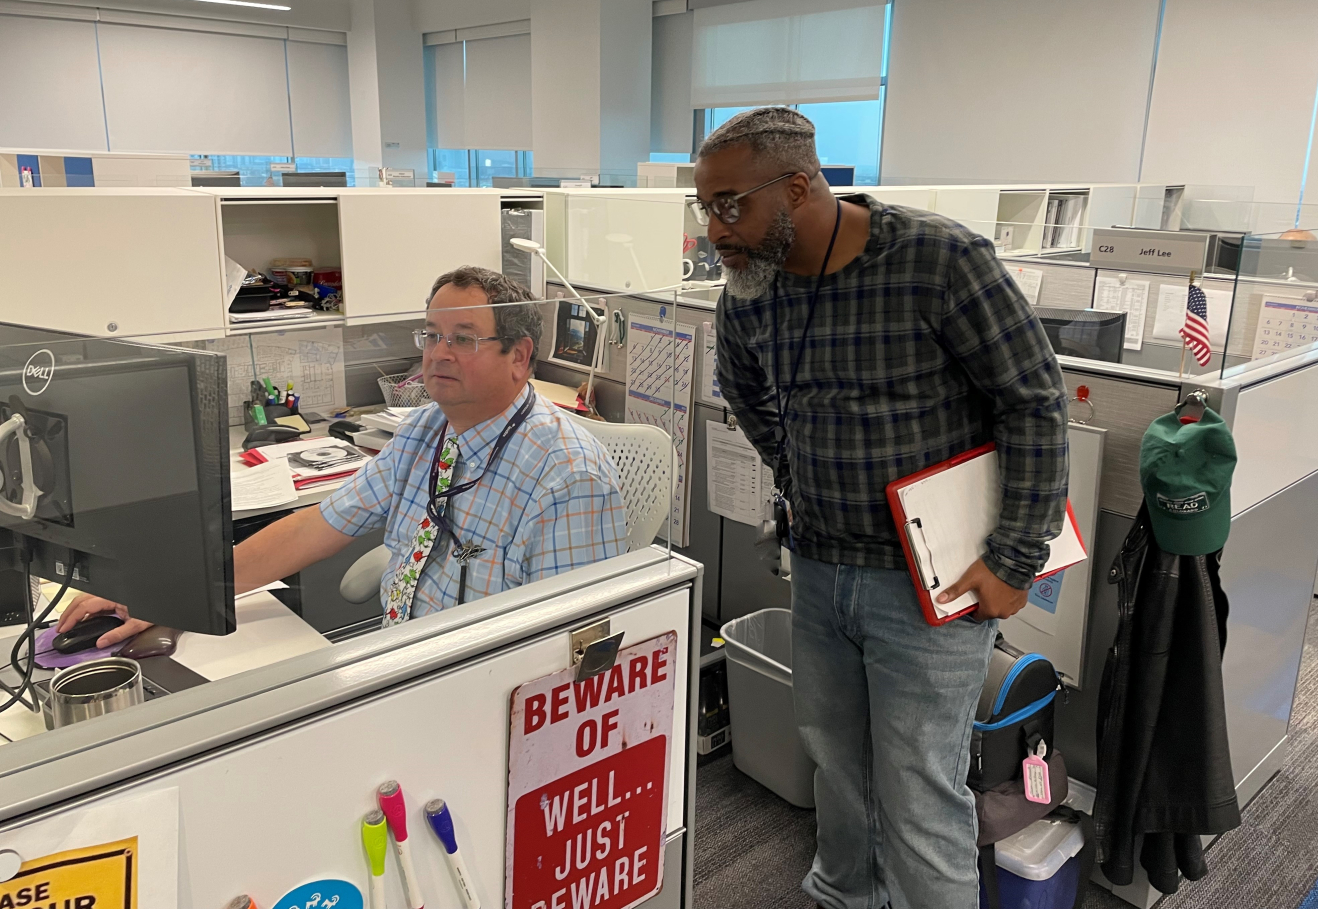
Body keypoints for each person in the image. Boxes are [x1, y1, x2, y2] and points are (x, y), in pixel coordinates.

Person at [698, 108, 1069, 909]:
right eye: (704, 207)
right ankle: (845, 896)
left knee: (917, 789)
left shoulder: (937, 261)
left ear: (798, 185)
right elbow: (749, 396)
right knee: (836, 765)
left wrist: (1016, 558)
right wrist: (800, 473)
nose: (714, 228)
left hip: (927, 586)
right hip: (821, 568)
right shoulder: (749, 292)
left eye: (730, 204)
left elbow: (1033, 403)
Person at [59, 266, 627, 644]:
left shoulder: (567, 476)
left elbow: (573, 648)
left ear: (520, 357)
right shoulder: (427, 430)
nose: (438, 353)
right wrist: (174, 592)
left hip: (481, 691)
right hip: (403, 659)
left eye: (464, 337)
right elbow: (315, 527)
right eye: (430, 335)